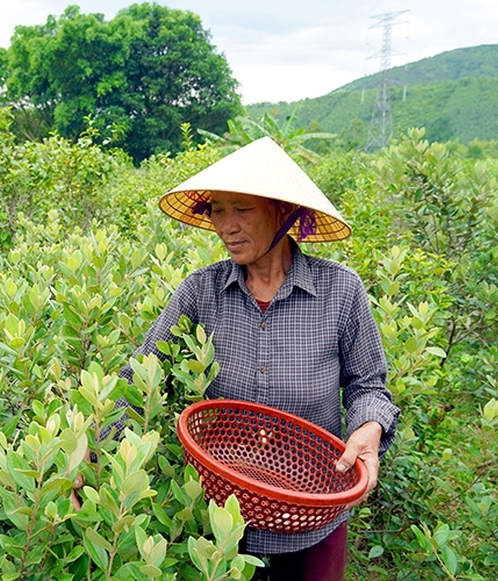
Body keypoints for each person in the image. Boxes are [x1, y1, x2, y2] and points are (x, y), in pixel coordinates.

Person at [105, 137, 399, 580]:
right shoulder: (201, 291)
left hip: (312, 519)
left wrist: (369, 429)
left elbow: (368, 385)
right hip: (221, 520)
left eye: (241, 209)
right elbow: (139, 378)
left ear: (284, 212)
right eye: (217, 210)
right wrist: (93, 455)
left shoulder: (340, 290)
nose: (226, 226)